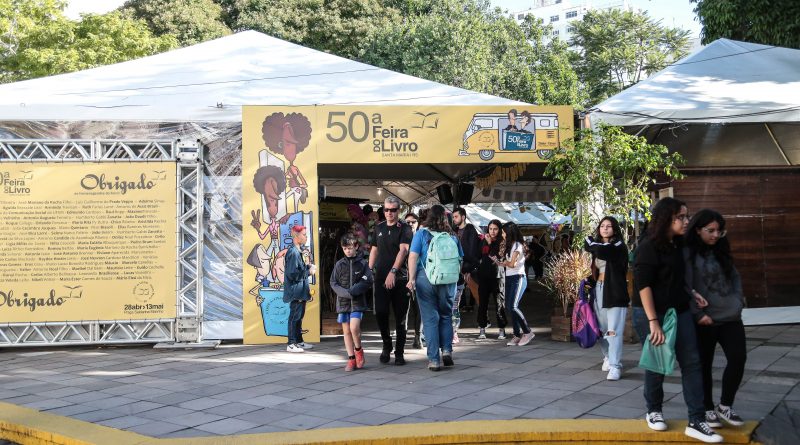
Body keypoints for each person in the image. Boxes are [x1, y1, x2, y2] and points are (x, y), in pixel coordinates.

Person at [633, 197, 724, 443]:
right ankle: (654, 410)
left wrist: (692, 294)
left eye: (686, 216)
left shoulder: (679, 244)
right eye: (681, 217)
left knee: (692, 361)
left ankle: (696, 420)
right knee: (657, 361)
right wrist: (653, 321)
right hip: (652, 313)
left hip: (680, 310)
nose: (686, 221)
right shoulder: (648, 246)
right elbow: (643, 286)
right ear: (666, 219)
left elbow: (676, 279)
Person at [686, 209, 747, 428]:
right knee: (704, 365)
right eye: (710, 230)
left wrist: (738, 302)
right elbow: (685, 286)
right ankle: (707, 408)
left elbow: (735, 278)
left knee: (738, 358)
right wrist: (698, 313)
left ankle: (725, 406)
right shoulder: (688, 253)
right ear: (698, 230)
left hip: (731, 316)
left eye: (719, 231)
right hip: (705, 320)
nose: (715, 235)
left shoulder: (722, 249)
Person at [407, 204, 463, 371]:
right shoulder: (452, 236)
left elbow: (412, 257)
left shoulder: (421, 234)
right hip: (448, 281)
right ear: (445, 218)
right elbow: (460, 259)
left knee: (431, 319)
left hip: (426, 280)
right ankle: (446, 350)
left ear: (428, 217)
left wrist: (411, 278)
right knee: (446, 316)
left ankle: (434, 360)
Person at [369, 196, 413, 365]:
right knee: (380, 313)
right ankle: (386, 345)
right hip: (380, 277)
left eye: (393, 210)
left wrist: (393, 272)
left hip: (400, 278)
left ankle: (399, 352)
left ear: (398, 210)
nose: (389, 213)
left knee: (401, 317)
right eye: (386, 209)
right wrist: (368, 270)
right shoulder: (378, 227)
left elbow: (403, 251)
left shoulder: (405, 228)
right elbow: (374, 249)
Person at [584, 216, 630, 381]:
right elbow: (594, 251)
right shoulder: (598, 247)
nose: (604, 228)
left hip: (615, 292)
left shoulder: (617, 245)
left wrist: (590, 243)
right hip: (599, 290)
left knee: (613, 331)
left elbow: (602, 250)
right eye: (602, 226)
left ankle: (615, 366)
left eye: (608, 226)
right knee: (602, 329)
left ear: (615, 229)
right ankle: (608, 357)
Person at [330, 233, 373, 371]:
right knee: (346, 331)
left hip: (358, 302)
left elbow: (367, 280)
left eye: (350, 247)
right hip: (343, 303)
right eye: (345, 248)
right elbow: (333, 282)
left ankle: (358, 350)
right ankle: (351, 359)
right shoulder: (339, 264)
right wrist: (345, 293)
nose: (348, 250)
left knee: (354, 328)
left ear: (356, 246)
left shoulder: (362, 263)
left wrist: (353, 291)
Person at [495, 222, 535, 346]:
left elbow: (512, 264)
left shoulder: (517, 245)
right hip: (510, 278)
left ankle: (527, 332)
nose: (502, 234)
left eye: (503, 231)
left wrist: (506, 262)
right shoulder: (509, 245)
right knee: (509, 307)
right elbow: (509, 263)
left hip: (519, 278)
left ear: (509, 232)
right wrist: (499, 262)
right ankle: (517, 334)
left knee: (513, 306)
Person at [283, 225, 316, 353]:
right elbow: (292, 274)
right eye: (303, 234)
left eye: (306, 234)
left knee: (299, 316)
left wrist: (307, 266)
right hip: (295, 290)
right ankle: (291, 343)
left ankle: (299, 341)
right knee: (294, 317)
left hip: (300, 290)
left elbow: (298, 269)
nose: (306, 237)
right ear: (296, 236)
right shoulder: (293, 252)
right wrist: (309, 272)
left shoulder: (298, 250)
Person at [451, 207, 482, 343]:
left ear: (463, 217)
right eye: (453, 217)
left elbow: (472, 251)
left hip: (469, 269)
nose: (454, 219)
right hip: (458, 271)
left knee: (479, 297)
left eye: (456, 216)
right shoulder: (455, 231)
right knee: (455, 302)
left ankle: (483, 327)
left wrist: (468, 269)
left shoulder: (470, 230)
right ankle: (454, 332)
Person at [477, 219, 507, 339]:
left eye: (495, 229)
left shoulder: (502, 242)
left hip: (497, 277)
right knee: (482, 304)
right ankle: (482, 328)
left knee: (499, 303)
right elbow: (479, 255)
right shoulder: (483, 240)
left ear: (499, 230)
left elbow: (498, 256)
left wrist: (489, 244)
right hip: (484, 276)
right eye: (490, 229)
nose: (493, 231)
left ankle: (501, 329)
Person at [404, 212, 423, 349]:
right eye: (408, 222)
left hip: (418, 277)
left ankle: (418, 336)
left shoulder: (421, 237)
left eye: (413, 221)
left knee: (419, 309)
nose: (410, 224)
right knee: (404, 309)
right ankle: (402, 335)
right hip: (402, 277)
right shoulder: (401, 237)